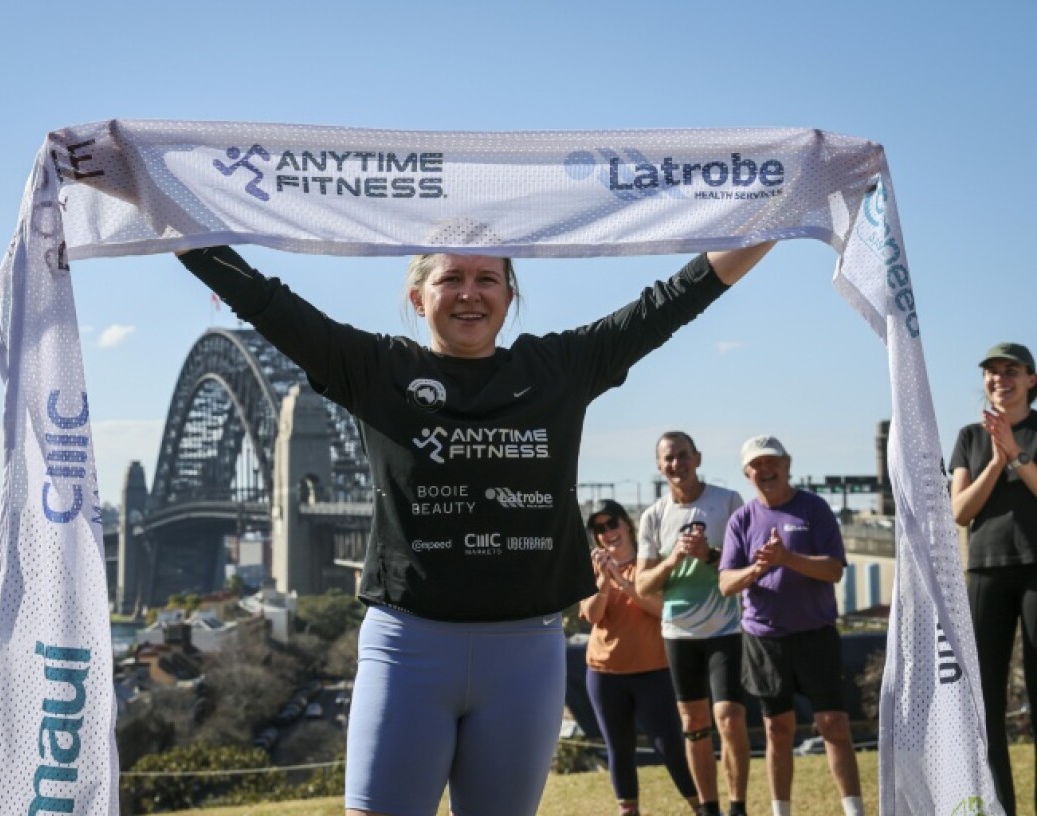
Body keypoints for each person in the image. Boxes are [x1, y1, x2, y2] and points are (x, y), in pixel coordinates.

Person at [179, 239, 774, 816]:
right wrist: (165, 221)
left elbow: (675, 298)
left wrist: (783, 211)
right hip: (406, 648)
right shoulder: (375, 368)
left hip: (525, 654)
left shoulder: (558, 369)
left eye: (487, 279)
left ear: (510, 296)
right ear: (417, 297)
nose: (470, 294)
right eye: (450, 278)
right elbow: (265, 302)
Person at [719, 435, 864, 816]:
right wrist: (758, 568)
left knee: (834, 725)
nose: (764, 470)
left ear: (787, 464)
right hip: (765, 639)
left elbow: (833, 570)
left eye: (772, 463)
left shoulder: (813, 509)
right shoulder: (743, 519)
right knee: (777, 731)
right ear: (747, 473)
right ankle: (781, 811)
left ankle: (854, 810)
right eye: (756, 465)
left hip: (815, 634)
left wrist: (787, 557)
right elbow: (725, 582)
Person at [636, 431, 751, 816]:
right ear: (659, 466)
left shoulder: (727, 501)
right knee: (693, 721)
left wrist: (709, 554)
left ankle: (737, 806)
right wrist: (670, 562)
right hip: (679, 632)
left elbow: (744, 566)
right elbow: (642, 583)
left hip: (724, 628)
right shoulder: (654, 516)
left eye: (683, 456)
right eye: (669, 459)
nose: (676, 465)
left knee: (729, 718)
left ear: (697, 458)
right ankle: (708, 808)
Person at [949, 342, 1037, 816]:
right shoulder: (969, 436)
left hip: (1036, 570)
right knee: (985, 703)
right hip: (985, 572)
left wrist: (1018, 454)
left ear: (1031, 380)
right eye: (992, 372)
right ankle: (1001, 806)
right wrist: (997, 460)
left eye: (1011, 371)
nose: (1000, 379)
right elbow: (960, 511)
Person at [580, 499, 699, 816]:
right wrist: (605, 582)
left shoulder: (651, 564)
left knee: (669, 746)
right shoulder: (591, 569)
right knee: (619, 749)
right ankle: (628, 811)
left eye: (612, 524)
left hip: (653, 671)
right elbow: (591, 616)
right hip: (604, 674)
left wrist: (625, 584)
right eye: (599, 529)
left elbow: (663, 610)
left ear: (627, 525)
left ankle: (703, 807)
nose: (608, 533)